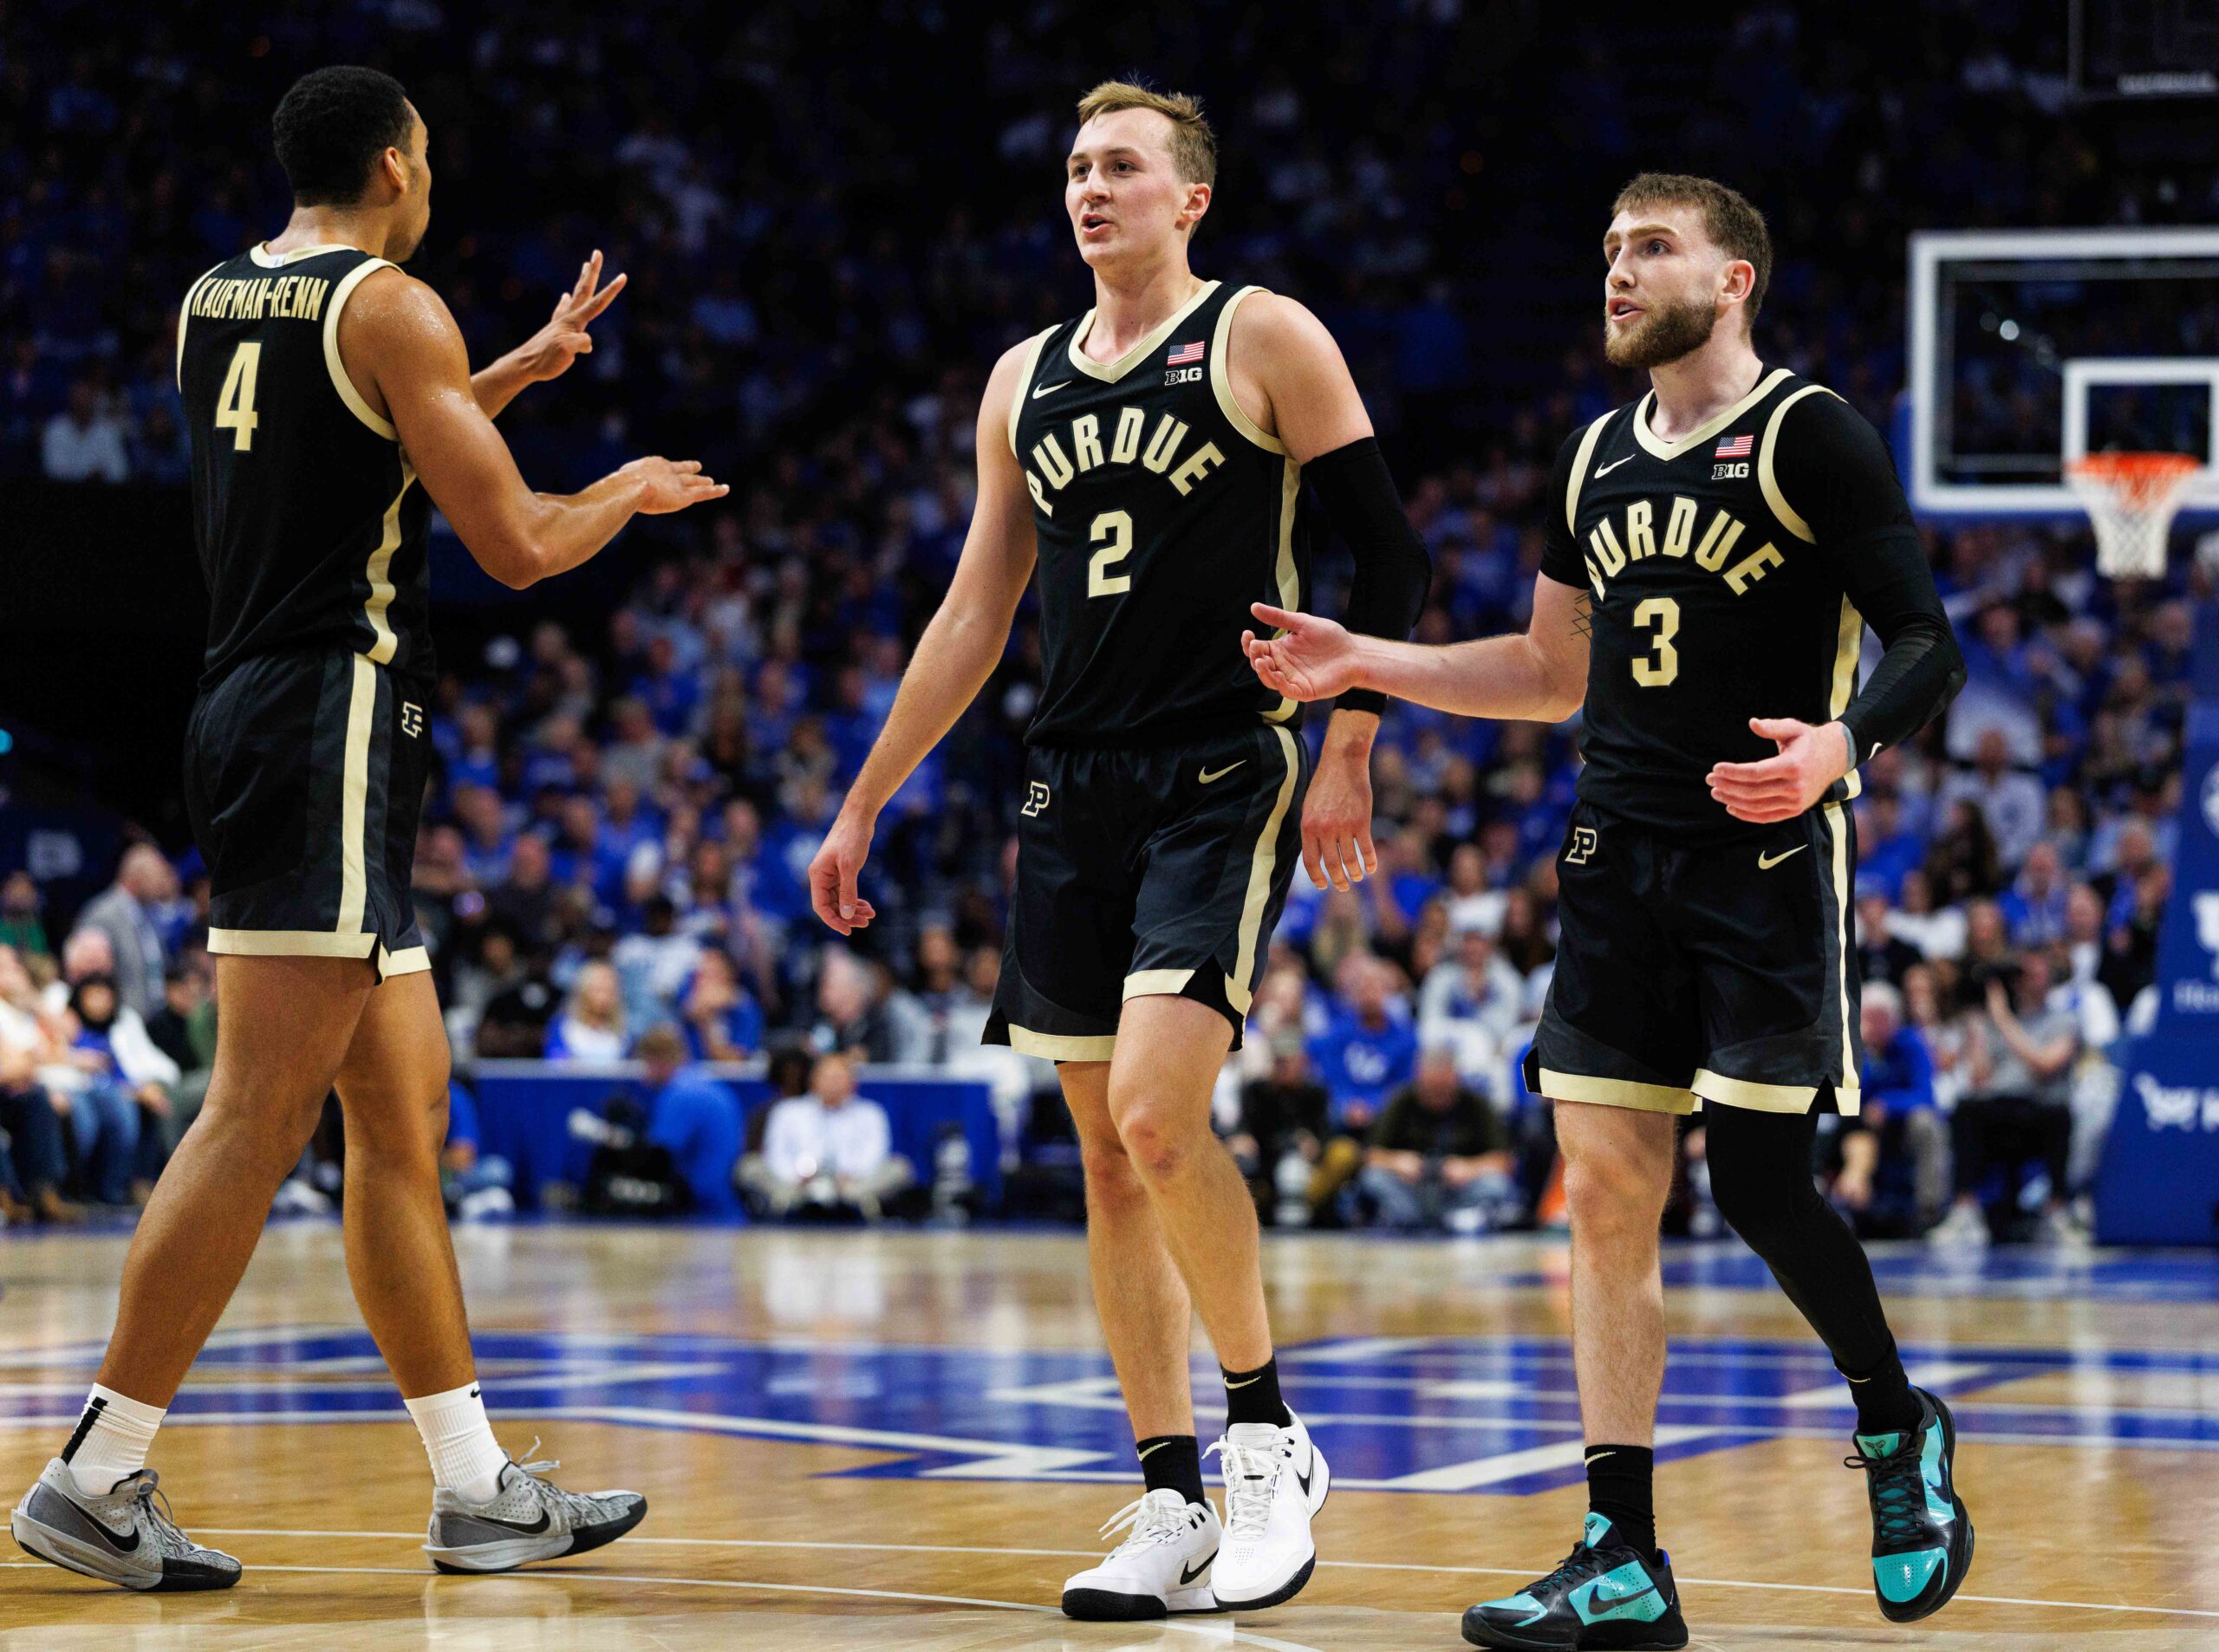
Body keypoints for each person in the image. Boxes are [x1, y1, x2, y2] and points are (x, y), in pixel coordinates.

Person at [10, 65, 722, 1590]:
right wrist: (625, 487)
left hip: (265, 708)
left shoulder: (214, 298)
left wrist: (507, 372)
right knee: (256, 1113)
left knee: (403, 1116)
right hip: (325, 716)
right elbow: (520, 544)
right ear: (398, 166)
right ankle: (95, 1468)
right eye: (432, 161)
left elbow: (341, 462)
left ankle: (476, 1490)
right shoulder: (393, 307)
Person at [1243, 173, 1972, 1644]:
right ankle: (1619, 1548)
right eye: (1608, 253)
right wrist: (1367, 662)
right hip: (1612, 865)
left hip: (1761, 865)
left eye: (1651, 250)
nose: (1619, 275)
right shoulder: (1593, 459)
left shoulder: (1805, 433)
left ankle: (1899, 1427)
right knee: (1611, 1211)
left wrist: (1841, 746)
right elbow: (1545, 672)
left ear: (1736, 278)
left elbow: (1924, 639)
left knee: (1760, 1188)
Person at [807, 81, 1428, 1619]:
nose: (1094, 189)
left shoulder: (1263, 336)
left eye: (1125, 167)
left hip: (1226, 763)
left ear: (1188, 196)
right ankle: (1166, 1494)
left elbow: (1390, 551)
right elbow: (975, 608)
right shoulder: (1022, 379)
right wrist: (868, 793)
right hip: (1066, 783)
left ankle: (1269, 1439)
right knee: (1102, 1153)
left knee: (1158, 1116)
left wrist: (1352, 741)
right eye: (1080, 167)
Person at [1930, 953, 2081, 1247]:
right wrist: (1976, 1025)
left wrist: (2002, 1018)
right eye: (2025, 974)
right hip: (1998, 1112)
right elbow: (1978, 1077)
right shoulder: (1992, 1020)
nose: (2031, 978)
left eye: (2038, 972)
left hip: (2039, 1113)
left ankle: (2057, 1211)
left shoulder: (2062, 1020)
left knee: (2059, 1115)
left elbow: (2045, 1066)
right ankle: (1965, 1210)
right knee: (1966, 1108)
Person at [1360, 1044, 1515, 1233]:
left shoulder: (1477, 1105)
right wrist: (1397, 1161)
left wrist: (1469, 1168)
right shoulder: (1400, 1100)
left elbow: (1503, 1161)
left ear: (1454, 1078)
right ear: (1420, 1078)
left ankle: (1462, 1218)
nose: (1437, 1094)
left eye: (1443, 1087)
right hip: (1412, 1190)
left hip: (1458, 1191)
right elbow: (1371, 1155)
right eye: (1432, 1087)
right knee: (1373, 1177)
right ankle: (1406, 1218)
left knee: (1495, 1184)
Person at [740, 1050, 910, 1219]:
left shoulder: (871, 1113)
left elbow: (875, 1154)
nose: (832, 1084)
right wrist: (797, 1176)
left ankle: (860, 1203)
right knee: (750, 1166)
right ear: (813, 1080)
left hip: (851, 1185)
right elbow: (776, 1153)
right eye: (827, 1077)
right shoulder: (788, 1111)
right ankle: (787, 1203)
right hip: (797, 1184)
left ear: (852, 1083)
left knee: (900, 1168)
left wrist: (848, 1175)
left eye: (838, 1078)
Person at [636, 1024, 743, 1216]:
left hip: (703, 1205)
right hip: (726, 1201)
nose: (644, 1076)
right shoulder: (706, 1083)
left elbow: (658, 1155)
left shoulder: (679, 1094)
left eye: (646, 1065)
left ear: (658, 1061)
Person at [72, 845, 177, 1022]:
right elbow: (90, 978)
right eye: (157, 876)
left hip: (155, 1018)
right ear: (137, 878)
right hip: (123, 1023)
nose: (161, 884)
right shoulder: (102, 914)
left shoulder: (149, 912)